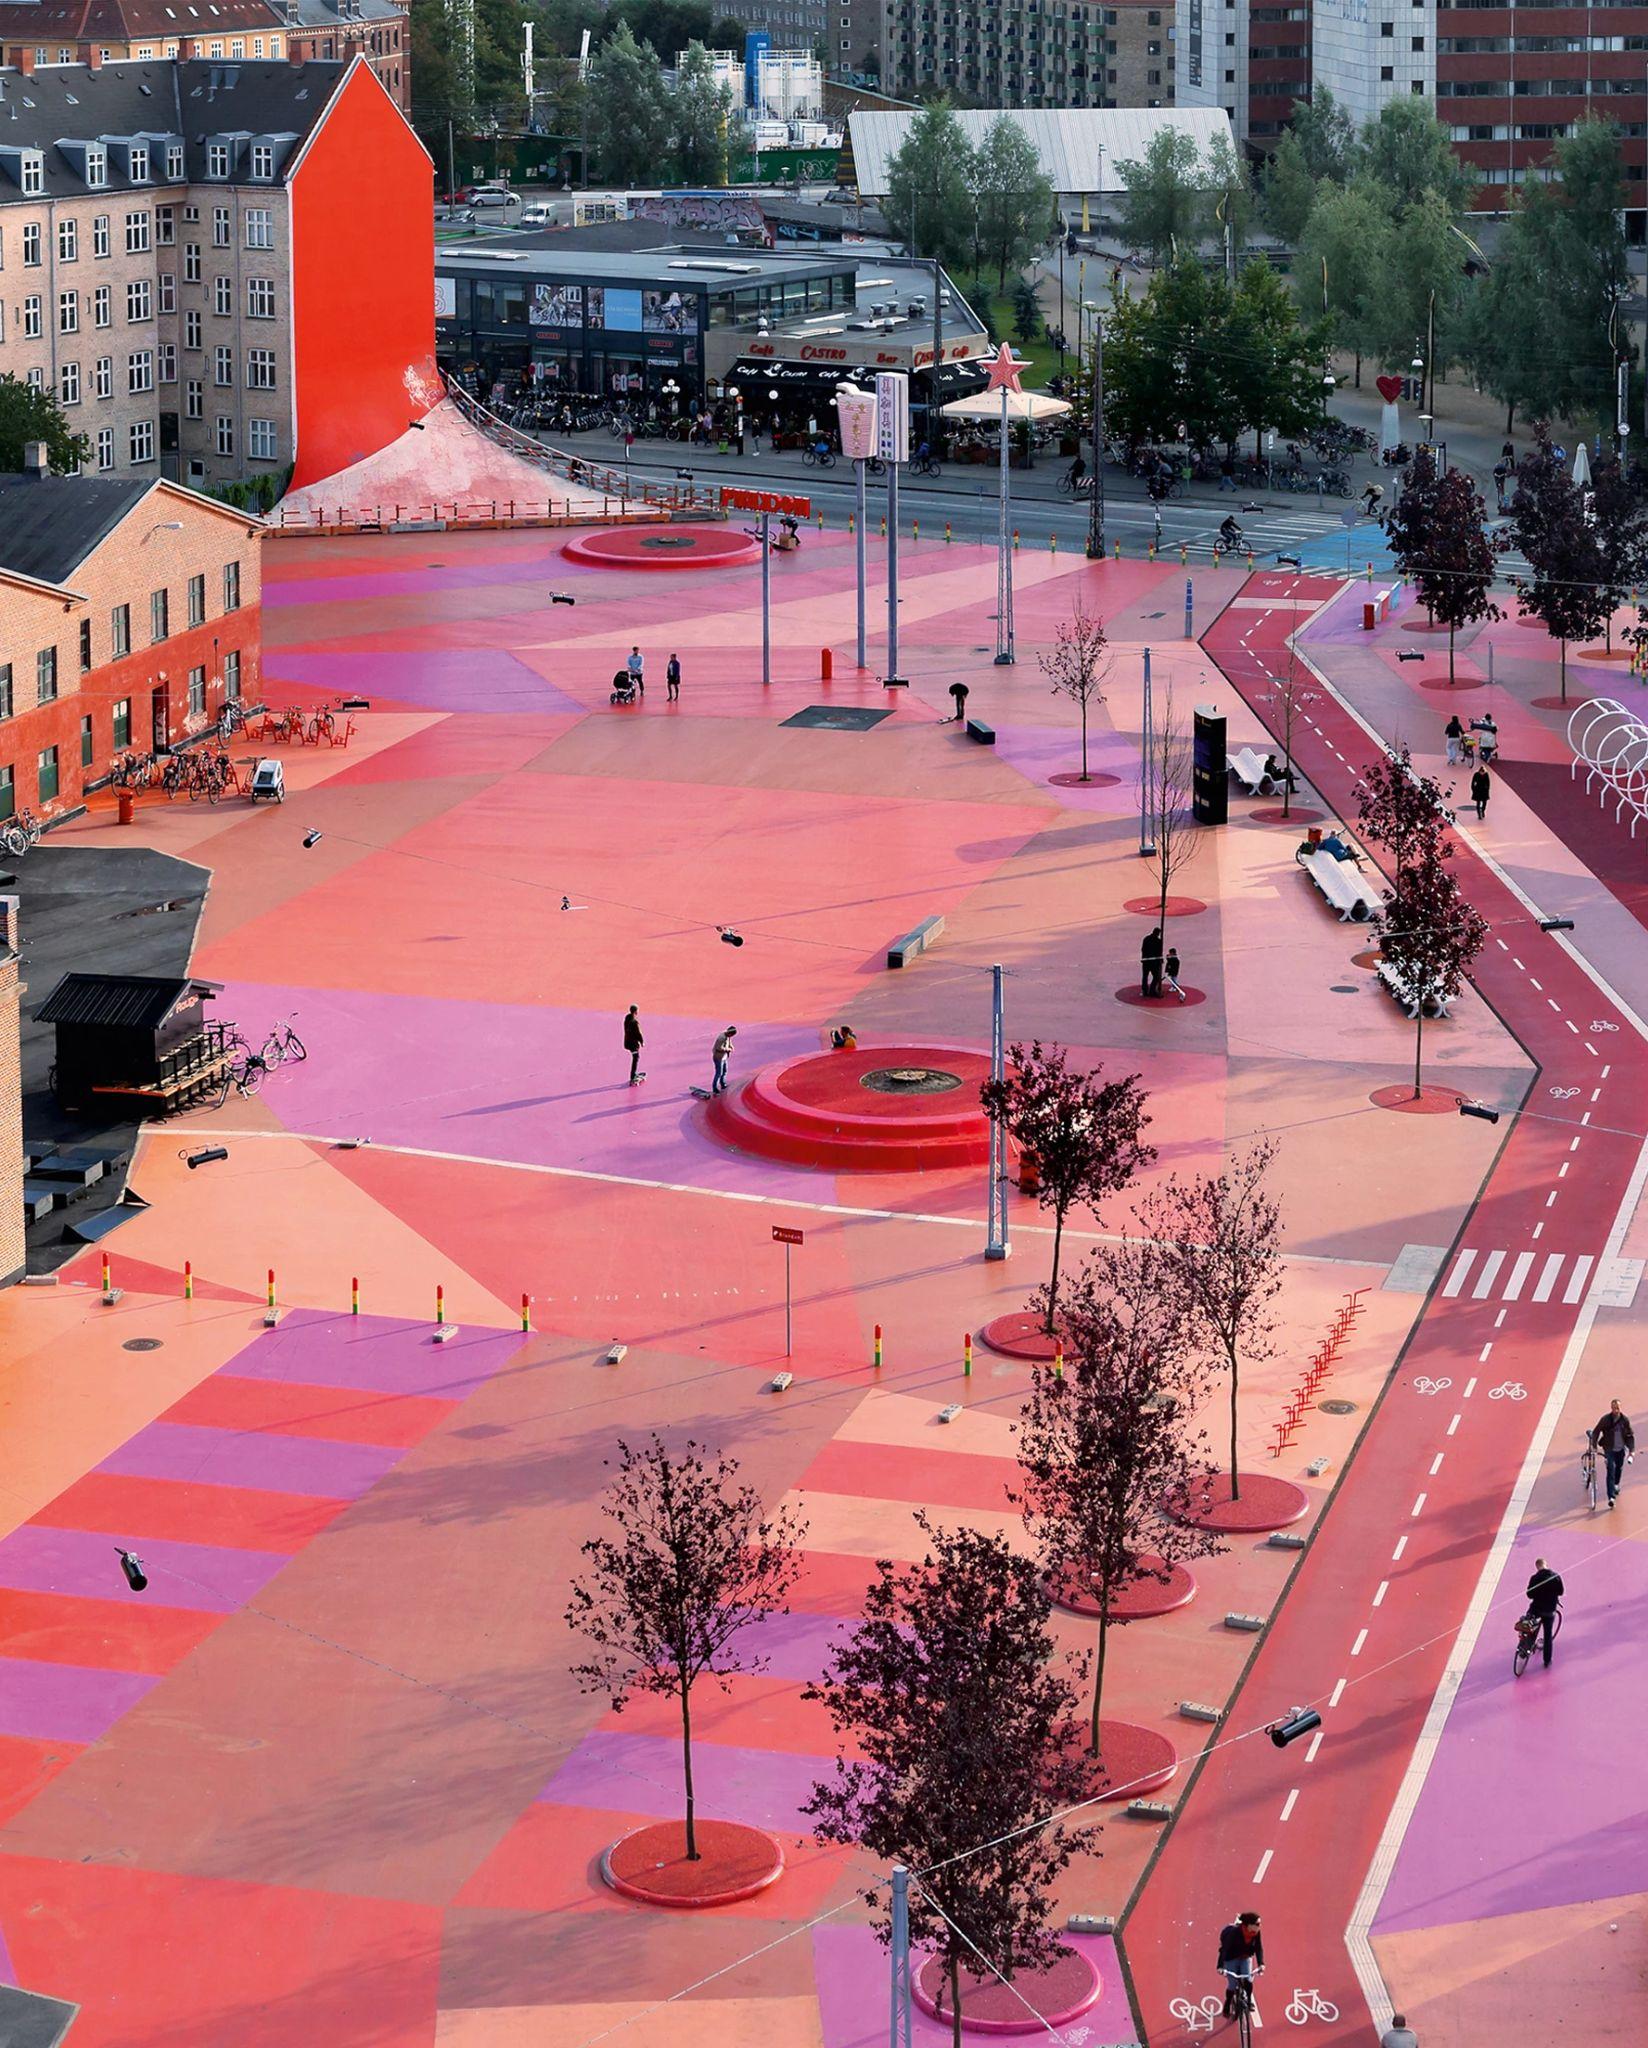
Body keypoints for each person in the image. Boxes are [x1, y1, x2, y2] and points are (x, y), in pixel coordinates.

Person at [1216, 1912, 1264, 2017]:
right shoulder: (1234, 1933)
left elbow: (1258, 1948)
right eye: (1257, 1924)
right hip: (1231, 1958)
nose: (1259, 1926)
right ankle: (1228, 2002)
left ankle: (1249, 2000)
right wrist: (1220, 1966)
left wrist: (1261, 1964)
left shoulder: (1256, 1932)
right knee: (1232, 1984)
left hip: (1245, 1957)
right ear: (1249, 1925)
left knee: (1248, 1980)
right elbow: (1224, 1949)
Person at [1590, 1400, 1635, 1508]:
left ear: (1620, 1408)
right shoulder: (1605, 1419)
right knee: (1611, 1469)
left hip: (1620, 1449)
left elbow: (1630, 1436)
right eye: (1613, 1408)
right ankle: (1611, 1497)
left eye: (1617, 1408)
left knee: (1619, 1467)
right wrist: (1594, 1446)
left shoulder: (1625, 1420)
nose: (1615, 1410)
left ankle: (1616, 1484)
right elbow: (1596, 1432)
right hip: (1609, 1448)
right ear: (1611, 1408)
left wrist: (1631, 1450)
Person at [1524, 1556, 1564, 1667]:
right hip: (1549, 1610)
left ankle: (1525, 1647)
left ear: (1537, 1567)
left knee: (1530, 1626)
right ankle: (1547, 1660)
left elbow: (1529, 1594)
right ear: (1546, 1564)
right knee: (1547, 1634)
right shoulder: (1555, 1576)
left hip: (1536, 1609)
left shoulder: (1534, 1578)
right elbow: (1561, 1592)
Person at [711, 1023, 737, 1095]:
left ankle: (723, 1084)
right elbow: (719, 1048)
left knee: (724, 1071)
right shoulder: (722, 1038)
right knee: (718, 1073)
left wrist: (731, 1046)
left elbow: (729, 1042)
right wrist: (728, 1049)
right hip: (719, 1057)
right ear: (730, 1033)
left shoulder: (728, 1036)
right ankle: (715, 1088)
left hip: (724, 1057)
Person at [623, 1004, 645, 1086]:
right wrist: (642, 1042)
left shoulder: (627, 1019)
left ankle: (633, 1074)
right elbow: (639, 1033)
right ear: (636, 1011)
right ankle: (632, 1077)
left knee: (635, 1057)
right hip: (633, 1044)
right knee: (636, 1058)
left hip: (627, 1043)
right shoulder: (634, 1022)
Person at [1141, 925, 1165, 999]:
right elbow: (1159, 952)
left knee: (1145, 976)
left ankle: (1145, 991)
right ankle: (1152, 990)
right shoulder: (1158, 941)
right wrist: (1160, 960)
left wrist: (1144, 958)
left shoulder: (1146, 938)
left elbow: (1143, 949)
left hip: (1146, 961)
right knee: (1156, 977)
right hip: (1154, 963)